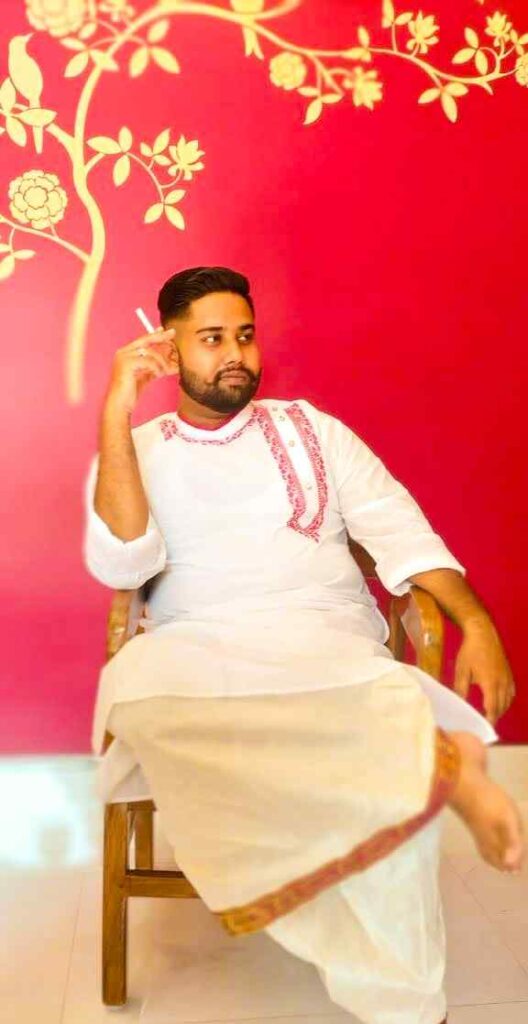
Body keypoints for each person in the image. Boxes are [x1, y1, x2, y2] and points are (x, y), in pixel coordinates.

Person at [84, 266, 523, 1024]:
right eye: (212, 339)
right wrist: (116, 410)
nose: (235, 356)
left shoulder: (313, 430)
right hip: (195, 641)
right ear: (167, 348)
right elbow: (122, 565)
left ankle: (404, 996)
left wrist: (478, 622)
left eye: (245, 337)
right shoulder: (138, 445)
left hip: (323, 636)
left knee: (384, 705)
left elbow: (400, 531)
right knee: (153, 705)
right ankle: (427, 781)